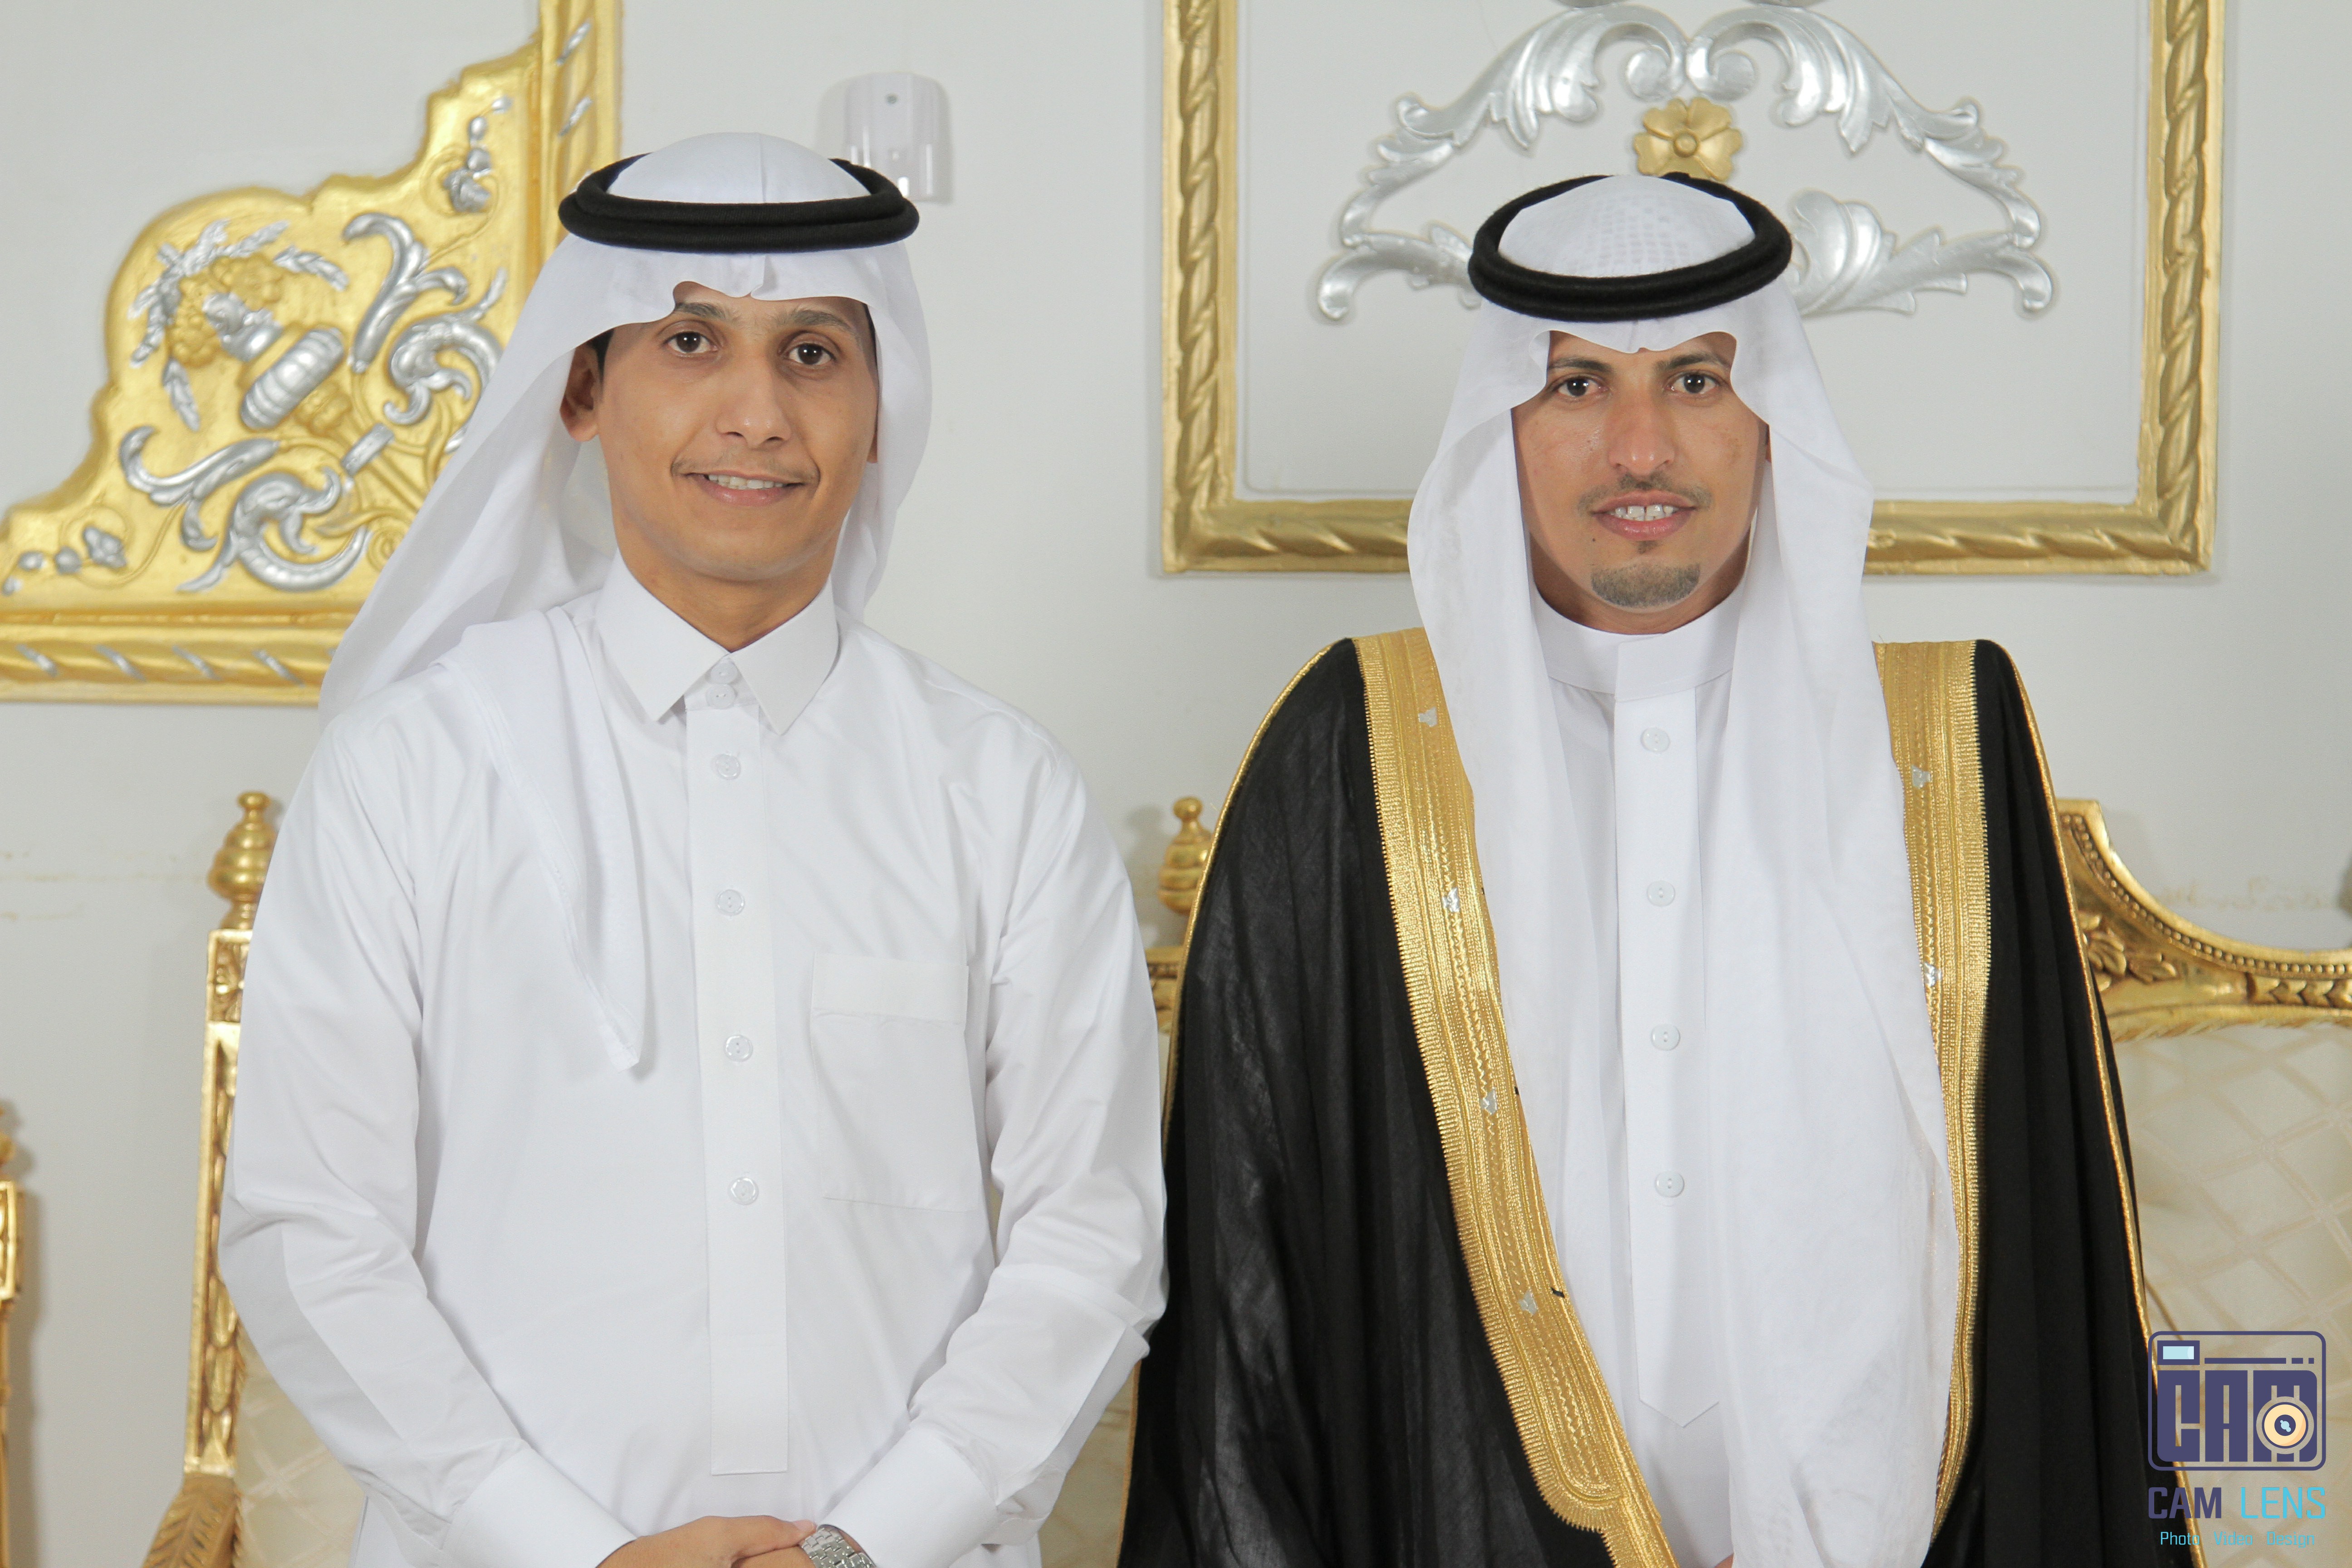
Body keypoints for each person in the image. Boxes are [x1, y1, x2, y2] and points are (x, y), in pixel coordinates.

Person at [1121, 174, 2189, 1568]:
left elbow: (2055, 1286)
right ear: (1502, 424)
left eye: (1697, 379)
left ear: (1772, 418)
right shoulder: (1351, 750)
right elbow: (1240, 1301)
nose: (1640, 448)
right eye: (1576, 385)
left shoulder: (1947, 749)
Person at [219, 134, 1163, 1568]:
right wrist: (571, 1551)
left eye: (813, 354)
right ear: (583, 389)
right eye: (689, 341)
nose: (757, 414)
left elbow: (1091, 1238)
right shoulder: (412, 769)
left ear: (880, 406)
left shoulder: (1002, 790)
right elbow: (310, 1229)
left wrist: (867, 1544)